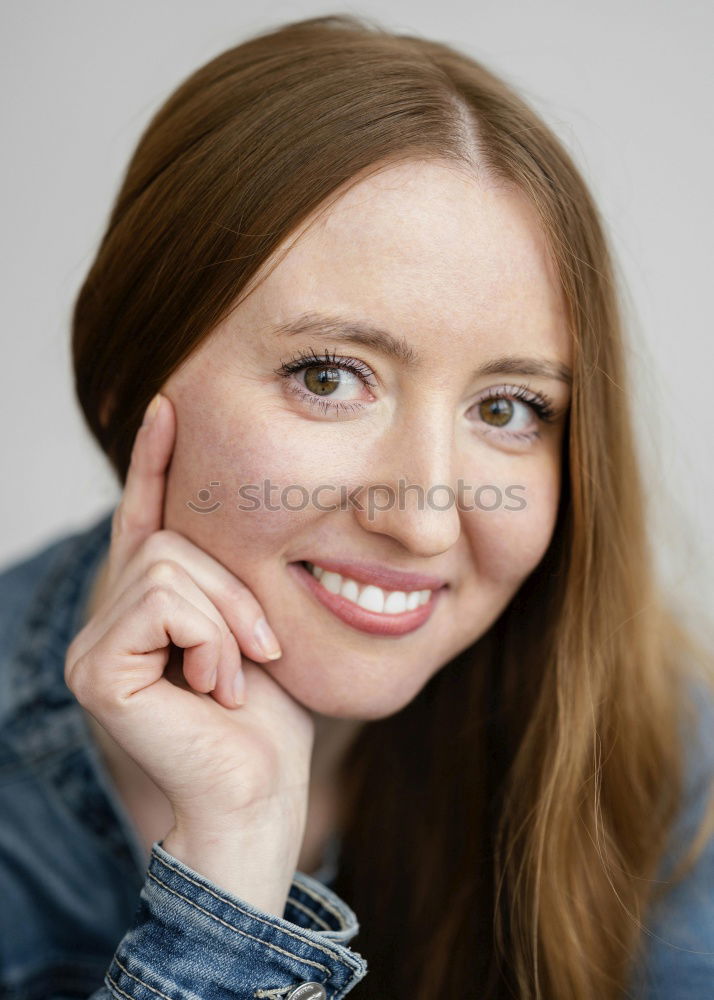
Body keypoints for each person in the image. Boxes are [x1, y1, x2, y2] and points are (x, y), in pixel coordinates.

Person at [1, 12, 712, 1000]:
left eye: (507, 408)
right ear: (130, 383)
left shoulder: (667, 756)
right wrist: (230, 873)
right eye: (330, 378)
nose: (421, 520)